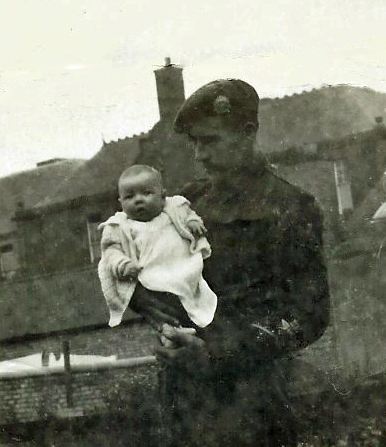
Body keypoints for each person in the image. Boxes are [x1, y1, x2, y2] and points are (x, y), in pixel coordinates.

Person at [128, 79, 330, 447]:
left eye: (210, 141)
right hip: (184, 402)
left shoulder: (291, 207)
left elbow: (311, 315)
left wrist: (220, 354)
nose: (200, 156)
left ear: (247, 132)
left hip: (251, 403)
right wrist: (146, 302)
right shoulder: (188, 202)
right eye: (195, 144)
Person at [98, 164, 217, 330]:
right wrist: (123, 264)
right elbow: (111, 252)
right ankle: (176, 333)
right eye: (129, 196)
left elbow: (187, 214)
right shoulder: (120, 226)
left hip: (185, 267)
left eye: (146, 193)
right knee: (170, 315)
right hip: (153, 277)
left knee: (200, 301)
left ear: (163, 196)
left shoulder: (173, 208)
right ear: (121, 203)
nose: (138, 200)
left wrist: (193, 221)